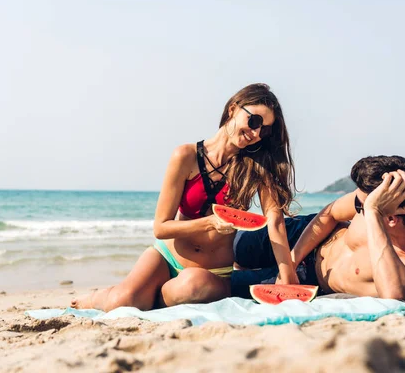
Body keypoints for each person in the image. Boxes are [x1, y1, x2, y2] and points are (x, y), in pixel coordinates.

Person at [71, 83, 297, 311]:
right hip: (167, 256)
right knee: (122, 302)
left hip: (212, 273)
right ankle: (100, 297)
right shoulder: (185, 156)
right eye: (255, 121)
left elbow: (274, 220)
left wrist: (287, 274)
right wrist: (209, 223)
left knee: (191, 285)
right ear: (233, 109)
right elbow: (161, 228)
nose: (256, 133)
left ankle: (149, 296)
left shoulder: (255, 167)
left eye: (264, 130)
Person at [232, 155, 405, 301]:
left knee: (220, 282)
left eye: (365, 208)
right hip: (304, 234)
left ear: (390, 219)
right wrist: (291, 262)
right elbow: (330, 214)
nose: (360, 210)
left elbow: (396, 295)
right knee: (230, 247)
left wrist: (373, 212)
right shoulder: (370, 199)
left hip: (309, 278)